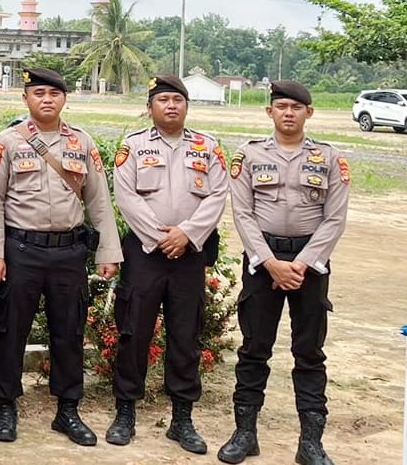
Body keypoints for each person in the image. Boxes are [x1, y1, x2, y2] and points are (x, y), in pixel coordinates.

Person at [0, 68, 122, 446]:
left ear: (64, 99)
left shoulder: (81, 142)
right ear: (25, 98)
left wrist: (108, 251)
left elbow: (99, 200)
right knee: (12, 330)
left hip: (69, 253)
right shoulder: (8, 141)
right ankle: (5, 405)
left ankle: (68, 409)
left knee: (69, 332)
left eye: (54, 93)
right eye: (38, 93)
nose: (47, 99)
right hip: (21, 251)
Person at [217, 80, 348, 465]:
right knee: (254, 349)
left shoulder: (329, 157)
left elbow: (334, 217)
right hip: (263, 263)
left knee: (309, 353)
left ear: (310, 112)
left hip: (311, 263)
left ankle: (310, 443)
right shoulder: (249, 155)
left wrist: (302, 264)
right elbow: (242, 213)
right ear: (269, 112)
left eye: (296, 107)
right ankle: (244, 433)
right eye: (281, 106)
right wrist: (270, 262)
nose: (288, 113)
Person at [106, 75, 228, 454]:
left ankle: (182, 418)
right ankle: (125, 411)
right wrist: (160, 237)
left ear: (186, 106)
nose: (171, 106)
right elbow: (126, 196)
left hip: (189, 255)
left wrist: (187, 235)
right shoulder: (133, 146)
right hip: (145, 254)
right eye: (163, 100)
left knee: (185, 336)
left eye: (178, 100)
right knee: (133, 332)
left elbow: (218, 194)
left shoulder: (207, 147)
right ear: (150, 107)